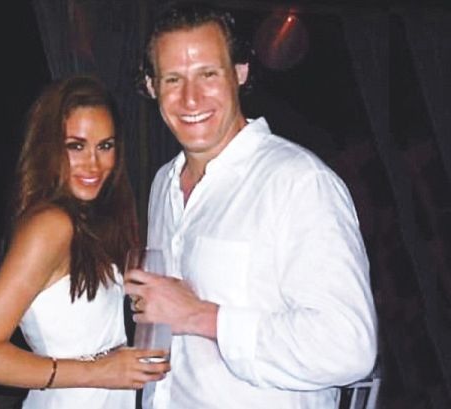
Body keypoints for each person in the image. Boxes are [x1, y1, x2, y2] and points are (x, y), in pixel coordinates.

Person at [125, 3, 378, 408]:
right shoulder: (163, 184)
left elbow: (348, 347)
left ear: (240, 72)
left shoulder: (297, 182)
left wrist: (200, 316)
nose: (191, 98)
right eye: (173, 79)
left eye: (208, 74)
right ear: (152, 86)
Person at [0, 75, 170, 409]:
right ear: (49, 148)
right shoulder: (50, 226)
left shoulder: (86, 221)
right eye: (76, 146)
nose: (94, 164)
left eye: (105, 146)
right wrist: (101, 371)